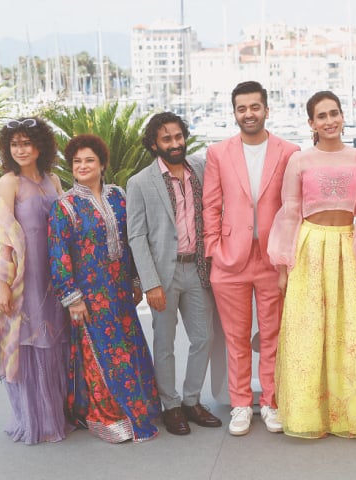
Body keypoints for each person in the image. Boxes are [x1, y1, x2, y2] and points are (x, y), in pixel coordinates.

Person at [268, 90, 356, 440]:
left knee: (353, 329)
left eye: (334, 113)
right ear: (311, 123)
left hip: (348, 247)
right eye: (321, 116)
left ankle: (354, 412)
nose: (329, 121)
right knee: (308, 331)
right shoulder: (300, 161)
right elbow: (289, 213)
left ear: (342, 116)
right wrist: (282, 267)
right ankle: (310, 413)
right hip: (309, 248)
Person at [0, 117, 72, 444]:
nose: (21, 149)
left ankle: (59, 414)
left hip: (55, 272)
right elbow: (4, 240)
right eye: (15, 144)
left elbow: (67, 224)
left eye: (27, 142)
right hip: (26, 275)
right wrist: (1, 286)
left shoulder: (53, 179)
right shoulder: (8, 183)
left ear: (41, 145)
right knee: (27, 340)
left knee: (56, 340)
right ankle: (34, 419)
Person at [48, 134, 161, 443]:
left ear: (102, 164)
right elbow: (58, 256)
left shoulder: (118, 196)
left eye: (89, 160)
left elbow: (131, 240)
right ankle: (106, 416)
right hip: (89, 296)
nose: (82, 166)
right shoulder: (65, 207)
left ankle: (139, 409)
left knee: (128, 348)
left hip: (121, 292)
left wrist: (137, 279)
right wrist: (72, 298)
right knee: (102, 353)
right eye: (77, 162)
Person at [203, 81, 299, 436]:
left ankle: (271, 402)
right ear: (235, 113)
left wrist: (288, 253)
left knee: (273, 335)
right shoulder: (218, 153)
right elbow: (211, 204)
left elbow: (294, 207)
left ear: (266, 110)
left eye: (255, 107)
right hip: (230, 259)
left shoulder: (289, 151)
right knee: (236, 337)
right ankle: (241, 404)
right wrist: (214, 248)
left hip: (273, 259)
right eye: (242, 108)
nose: (249, 114)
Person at [126, 112, 221, 436]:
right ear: (155, 144)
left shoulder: (201, 168)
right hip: (163, 275)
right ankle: (171, 406)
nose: (175, 143)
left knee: (203, 338)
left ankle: (192, 400)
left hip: (198, 269)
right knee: (164, 343)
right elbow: (136, 236)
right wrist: (150, 282)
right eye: (167, 139)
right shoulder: (139, 182)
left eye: (179, 136)